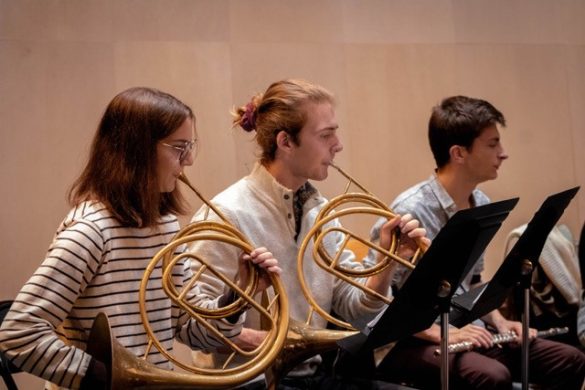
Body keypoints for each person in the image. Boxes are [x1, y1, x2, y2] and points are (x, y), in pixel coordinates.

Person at [0, 87, 281, 390]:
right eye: (178, 148)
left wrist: (239, 293)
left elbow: (193, 330)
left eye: (190, 146)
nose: (188, 161)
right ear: (138, 150)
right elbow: (18, 333)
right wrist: (106, 378)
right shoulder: (90, 233)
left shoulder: (165, 228)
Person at [187, 79, 429, 389]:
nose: (338, 145)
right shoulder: (227, 214)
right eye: (326, 135)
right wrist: (269, 343)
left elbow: (354, 312)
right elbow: (194, 328)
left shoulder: (321, 211)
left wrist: (387, 260)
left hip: (309, 376)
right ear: (286, 142)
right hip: (250, 382)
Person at [369, 95, 585, 389]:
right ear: (459, 153)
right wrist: (439, 333)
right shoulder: (409, 210)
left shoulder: (481, 202)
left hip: (465, 330)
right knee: (493, 376)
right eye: (492, 144)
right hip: (409, 342)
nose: (503, 153)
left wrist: (499, 322)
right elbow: (376, 302)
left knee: (570, 359)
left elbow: (471, 284)